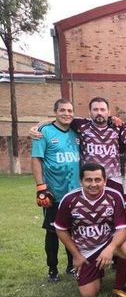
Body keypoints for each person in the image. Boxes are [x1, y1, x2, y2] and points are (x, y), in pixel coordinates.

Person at [54, 163, 126, 297]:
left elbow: (122, 230)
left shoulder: (114, 196)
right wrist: (76, 256)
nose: (93, 184)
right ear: (81, 181)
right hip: (86, 250)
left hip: (107, 243)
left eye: (97, 180)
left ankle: (119, 287)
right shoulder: (69, 199)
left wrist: (110, 249)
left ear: (105, 181)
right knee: (88, 294)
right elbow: (61, 229)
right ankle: (96, 272)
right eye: (88, 180)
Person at [31, 98, 80, 282]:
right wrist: (40, 187)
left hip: (75, 194)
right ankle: (52, 269)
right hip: (55, 193)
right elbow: (36, 159)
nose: (66, 114)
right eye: (62, 110)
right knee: (52, 232)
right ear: (55, 112)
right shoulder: (44, 132)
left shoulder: (76, 132)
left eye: (69, 110)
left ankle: (70, 265)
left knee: (73, 231)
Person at [72, 97, 124, 194]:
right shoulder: (81, 125)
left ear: (109, 112)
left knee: (117, 208)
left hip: (113, 179)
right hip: (90, 180)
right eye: (95, 109)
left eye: (102, 109)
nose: (99, 112)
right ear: (89, 112)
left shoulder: (118, 127)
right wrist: (38, 126)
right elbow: (59, 121)